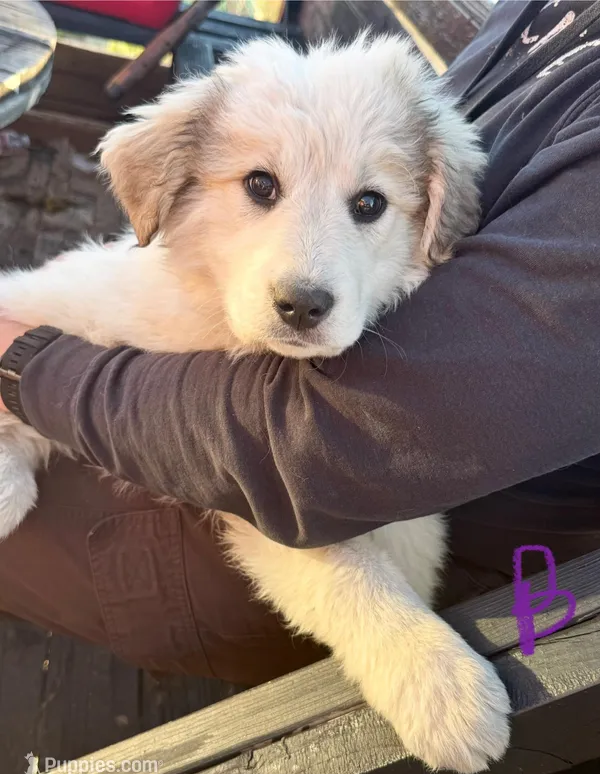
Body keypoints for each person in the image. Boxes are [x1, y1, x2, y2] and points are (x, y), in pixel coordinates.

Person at [1, 0, 600, 686]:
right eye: (262, 185)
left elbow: (293, 468)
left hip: (364, 518)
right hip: (157, 433)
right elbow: (25, 313)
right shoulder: (540, 13)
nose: (305, 276)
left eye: (367, 204)